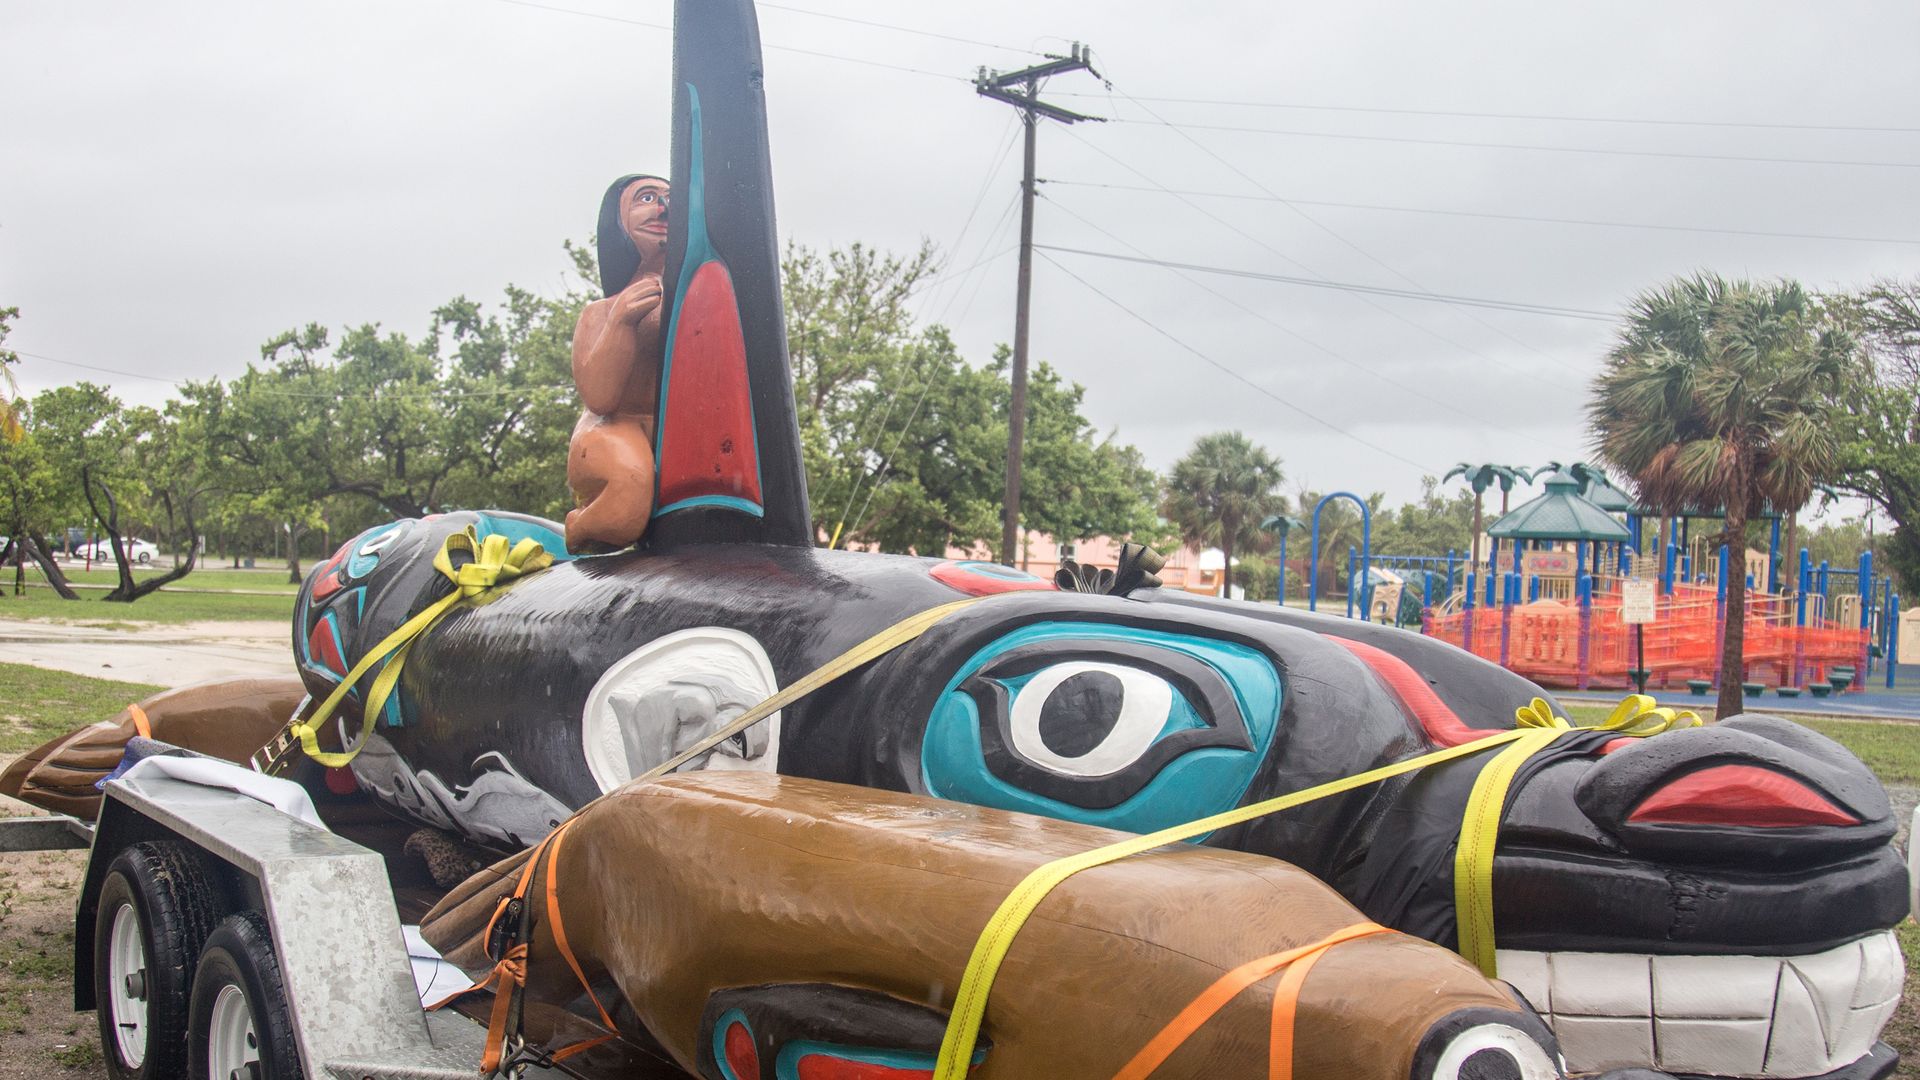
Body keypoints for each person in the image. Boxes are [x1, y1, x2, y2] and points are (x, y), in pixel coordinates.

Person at [565, 174, 670, 553]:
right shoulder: (600, 312)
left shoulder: (698, 294)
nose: (664, 209)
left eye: (671, 199)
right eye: (647, 198)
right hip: (613, 426)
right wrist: (621, 322)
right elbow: (600, 398)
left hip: (673, 426)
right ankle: (578, 527)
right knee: (628, 495)